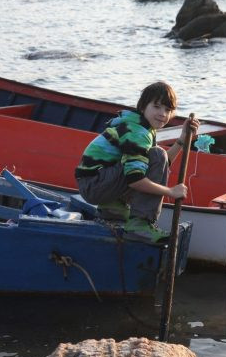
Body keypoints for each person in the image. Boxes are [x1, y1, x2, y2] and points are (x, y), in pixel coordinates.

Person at [75, 81, 200, 243]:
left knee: (156, 155)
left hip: (97, 183)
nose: (163, 114)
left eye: (168, 110)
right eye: (157, 106)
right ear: (142, 107)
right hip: (95, 185)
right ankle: (139, 225)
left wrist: (182, 140)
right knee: (157, 154)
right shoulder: (137, 131)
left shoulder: (141, 127)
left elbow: (157, 168)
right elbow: (135, 180)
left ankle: (113, 207)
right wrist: (170, 192)